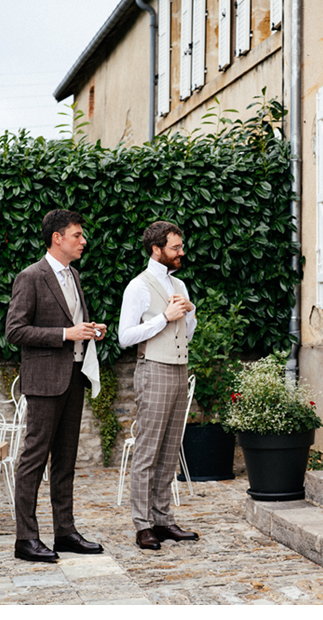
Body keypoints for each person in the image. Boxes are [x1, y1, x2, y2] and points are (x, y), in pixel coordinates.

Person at [4, 209, 107, 563]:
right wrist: (66, 334)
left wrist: (89, 329)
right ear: (57, 238)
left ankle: (65, 532)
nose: (84, 241)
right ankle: (26, 539)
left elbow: (70, 320)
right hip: (45, 381)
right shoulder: (30, 277)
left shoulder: (74, 275)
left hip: (74, 376)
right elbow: (14, 331)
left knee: (66, 460)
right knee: (33, 460)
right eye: (77, 235)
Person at [118, 221, 199, 551]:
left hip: (180, 370)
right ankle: (143, 525)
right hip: (153, 369)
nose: (182, 252)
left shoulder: (179, 283)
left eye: (181, 246)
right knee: (148, 451)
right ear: (156, 250)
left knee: (169, 451)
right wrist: (163, 317)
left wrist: (189, 314)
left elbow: (188, 333)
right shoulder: (138, 287)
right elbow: (125, 337)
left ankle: (163, 519)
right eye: (175, 248)